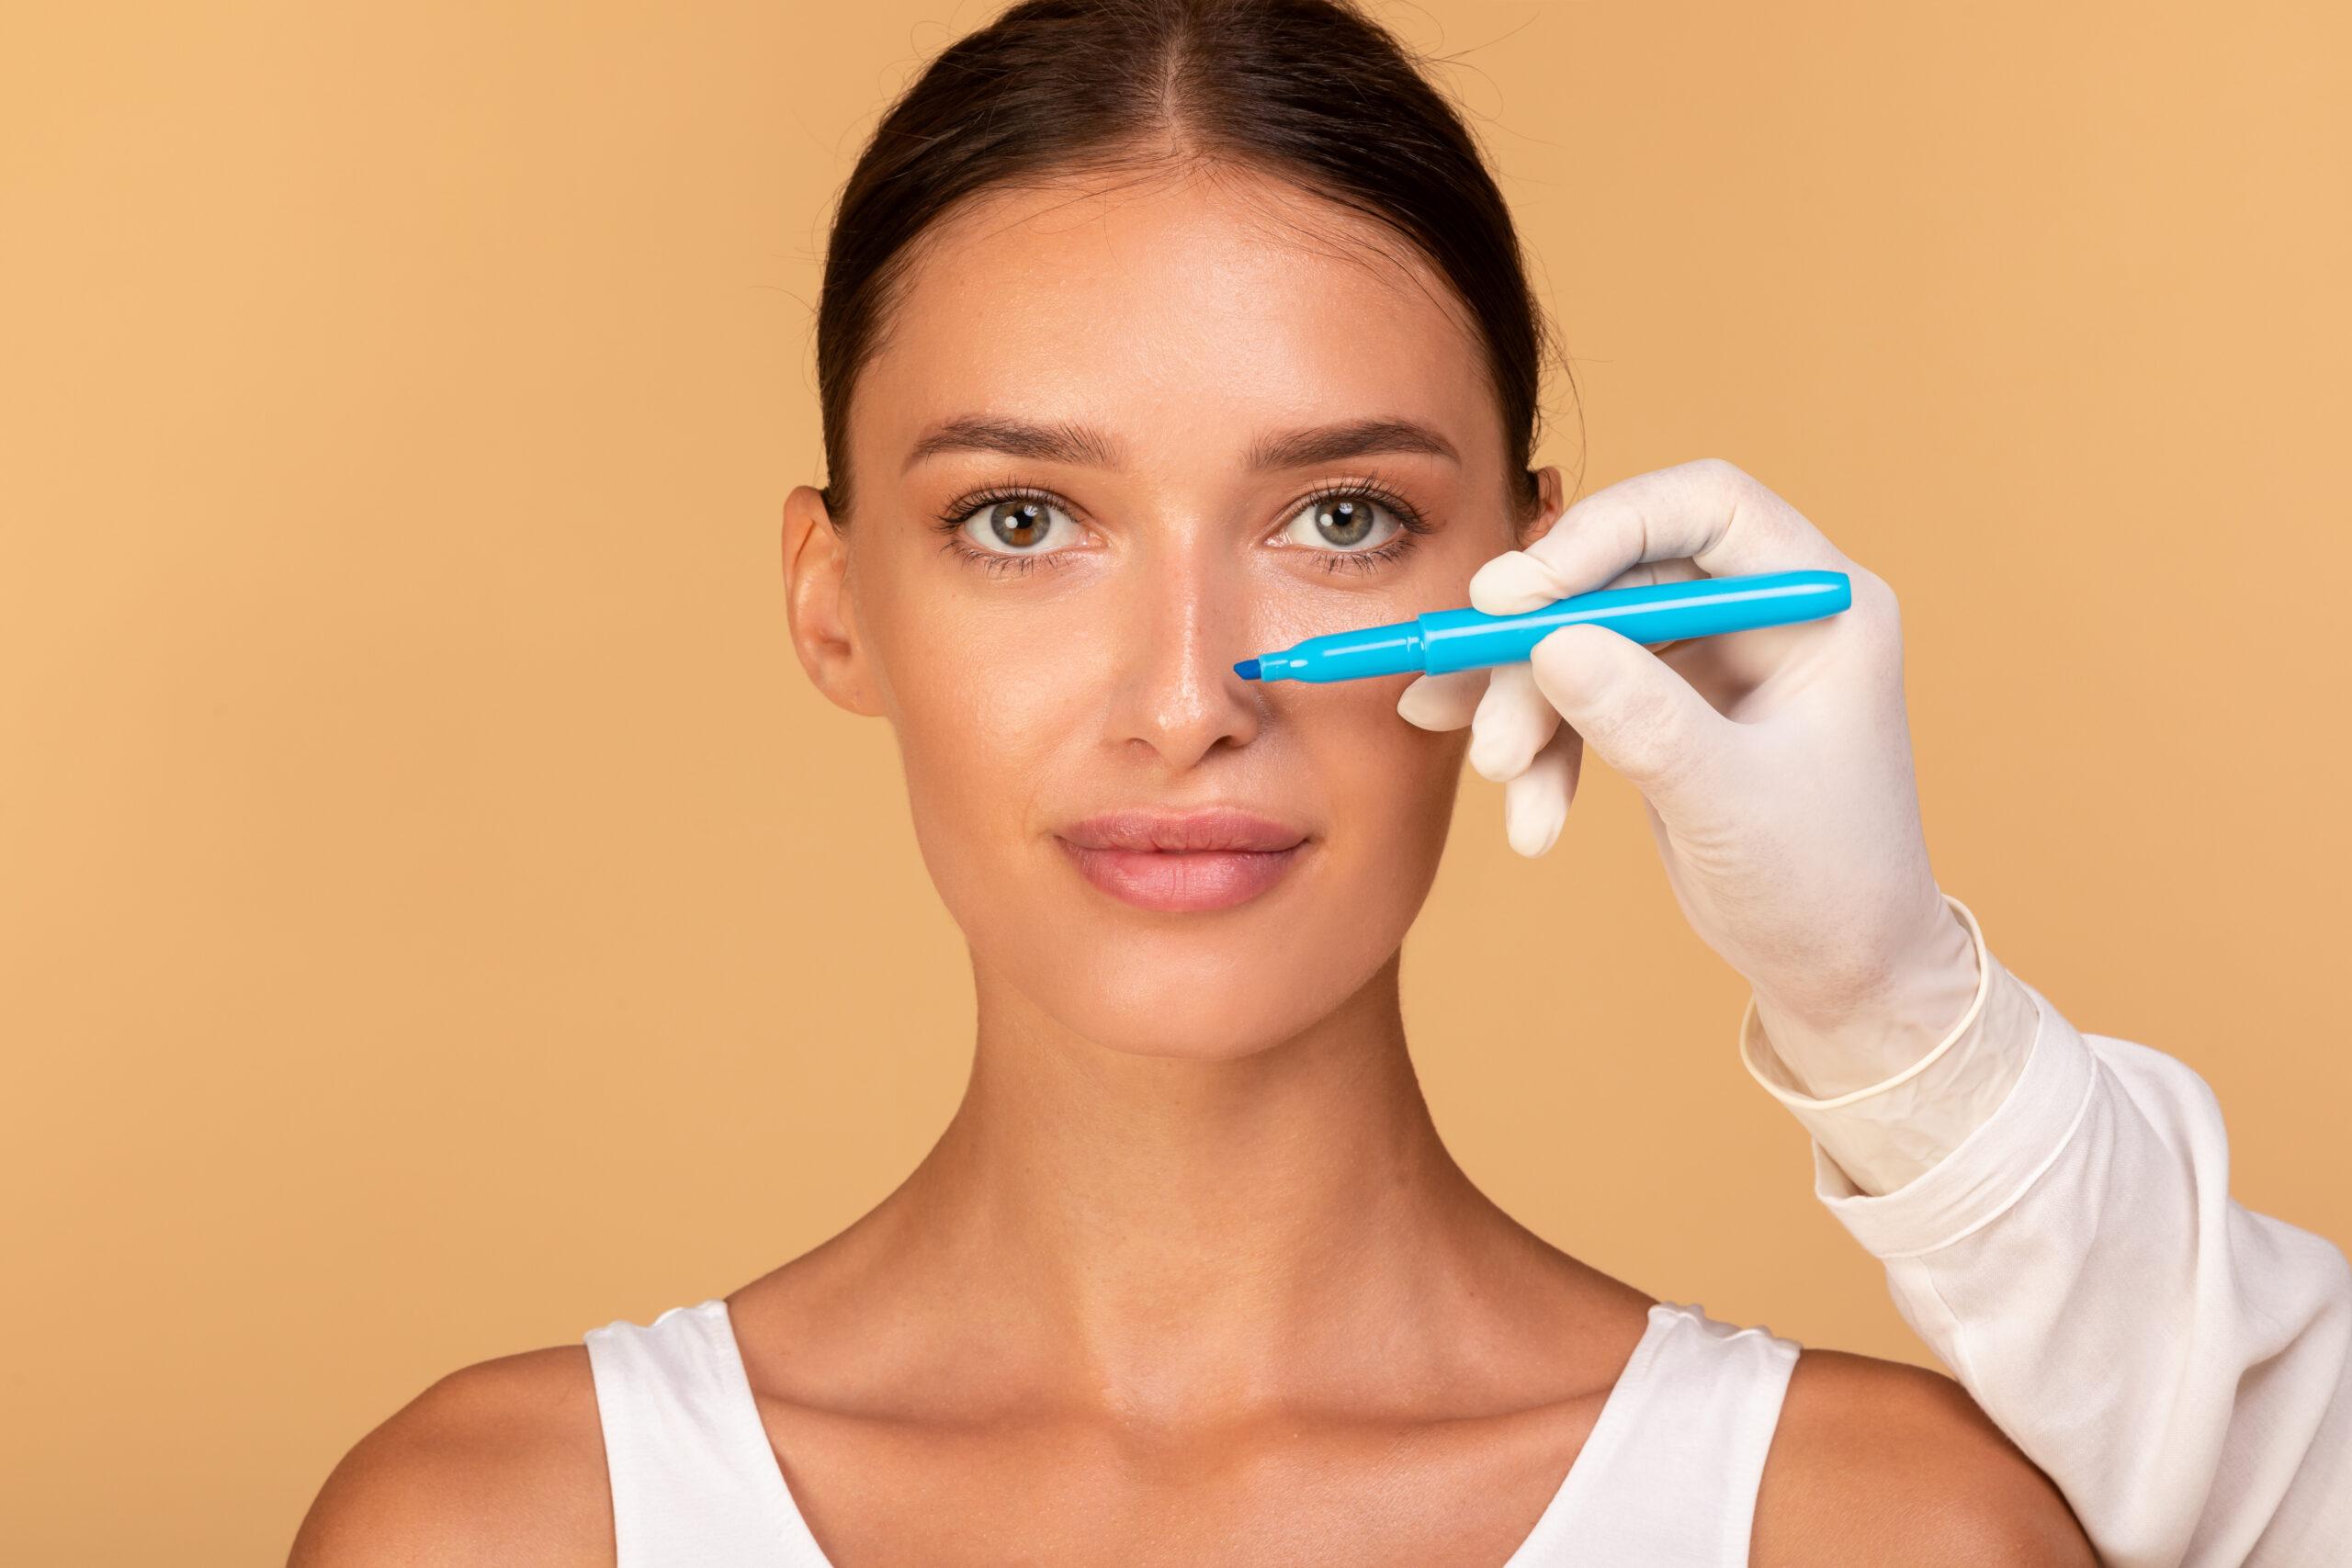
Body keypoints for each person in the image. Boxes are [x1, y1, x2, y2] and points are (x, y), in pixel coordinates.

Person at [288, 3, 2348, 1564]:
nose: (1187, 694)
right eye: (1021, 519)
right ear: (834, 602)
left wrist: (1895, 1003)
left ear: (1540, 582)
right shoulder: (497, 1521)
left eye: (1343, 515)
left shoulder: (1867, 1525)